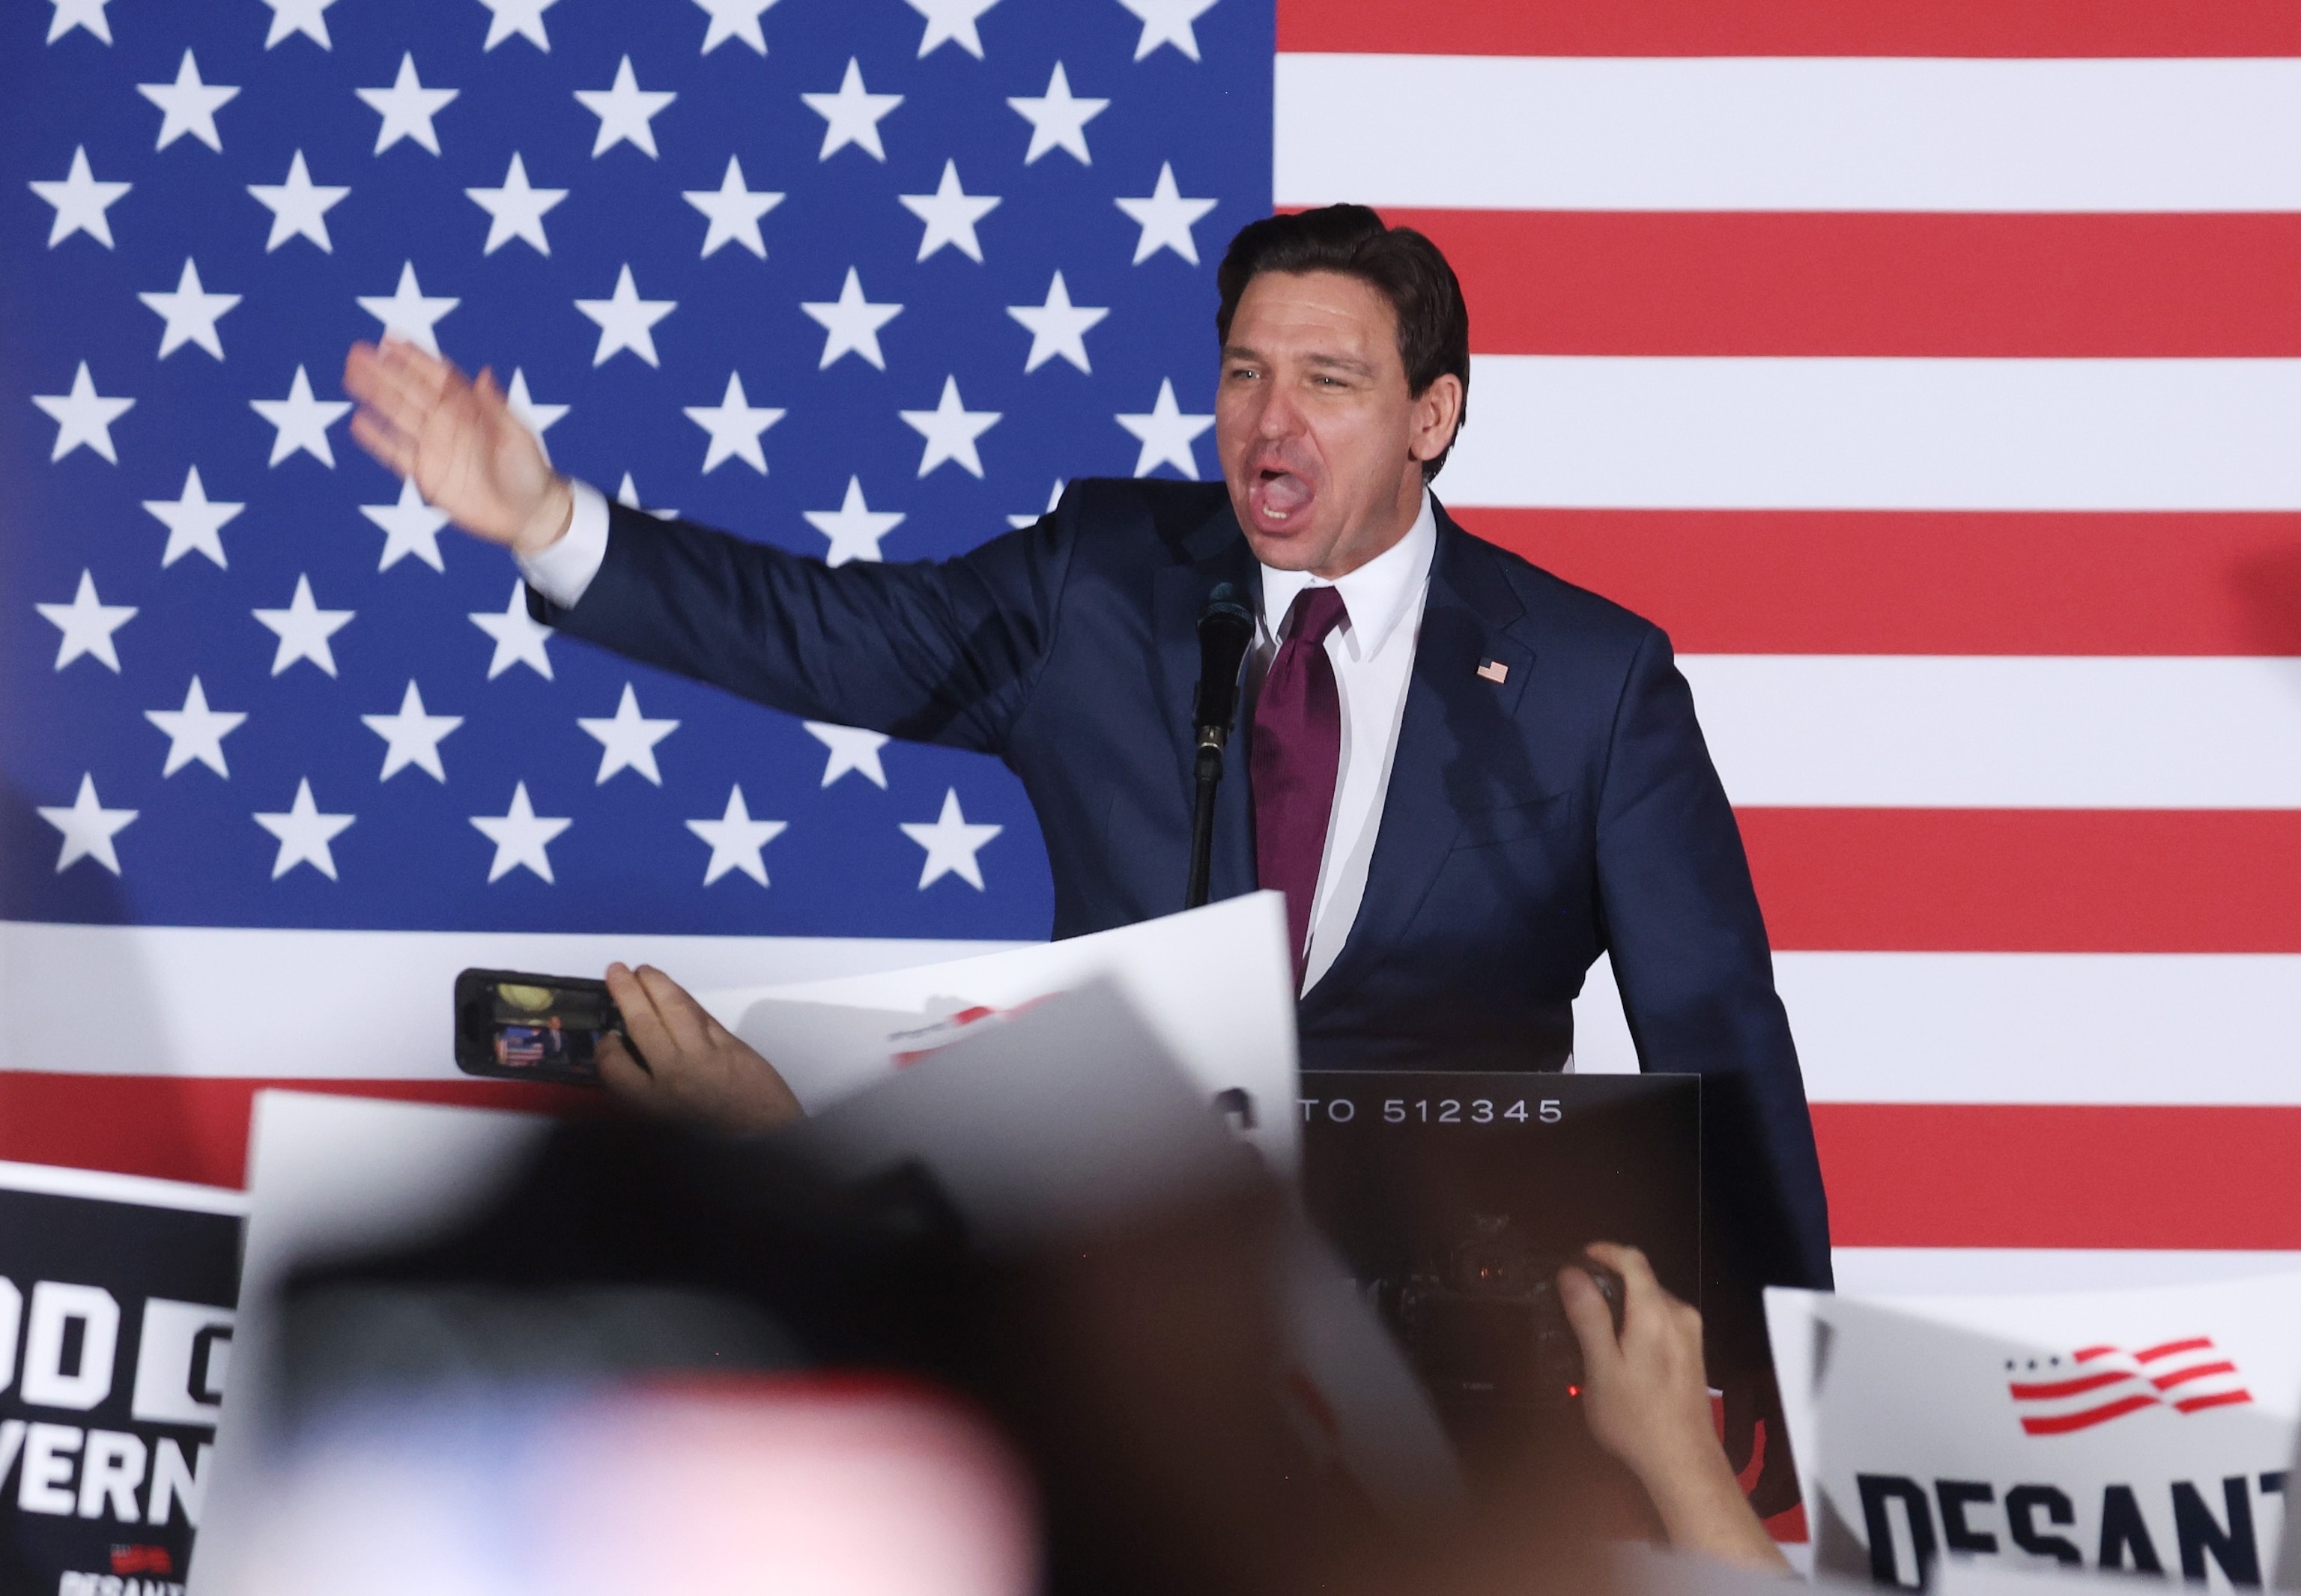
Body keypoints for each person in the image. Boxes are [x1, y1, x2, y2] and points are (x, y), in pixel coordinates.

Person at [342, 203, 1831, 1442]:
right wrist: (551, 519)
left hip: (1450, 1366)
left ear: (1432, 416)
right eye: (1244, 372)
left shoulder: (1587, 676)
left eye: (1329, 378)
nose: (1270, 418)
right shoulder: (1103, 582)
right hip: (1127, 1332)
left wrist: (1775, 1373)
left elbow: (1716, 1026)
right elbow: (835, 635)